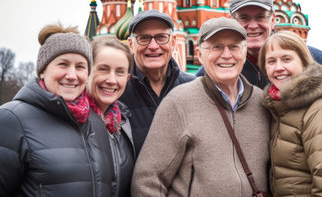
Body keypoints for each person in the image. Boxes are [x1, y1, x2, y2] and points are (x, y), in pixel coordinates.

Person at [131, 17, 270, 196]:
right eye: (216, 47)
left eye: (234, 46)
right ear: (199, 54)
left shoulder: (261, 102)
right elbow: (147, 181)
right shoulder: (179, 102)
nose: (226, 55)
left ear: (244, 53)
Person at [0, 23, 114, 196]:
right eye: (63, 64)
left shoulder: (96, 123)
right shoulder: (12, 119)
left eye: (80, 66)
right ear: (43, 70)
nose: (72, 75)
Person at [259, 30, 322, 196]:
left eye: (287, 59)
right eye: (271, 61)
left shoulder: (321, 108)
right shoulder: (279, 107)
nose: (279, 68)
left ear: (304, 62)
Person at [196, 0, 322, 88]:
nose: (252, 26)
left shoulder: (314, 58)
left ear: (273, 20)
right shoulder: (218, 66)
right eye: (244, 18)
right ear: (232, 21)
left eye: (260, 17)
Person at [119, 10, 196, 154]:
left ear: (173, 42)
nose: (153, 46)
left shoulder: (193, 88)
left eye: (161, 37)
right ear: (131, 44)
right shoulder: (118, 90)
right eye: (144, 38)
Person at [86, 35, 135, 197]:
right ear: (86, 70)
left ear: (127, 78)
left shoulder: (123, 124)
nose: (111, 80)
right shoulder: (72, 119)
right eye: (103, 69)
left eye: (120, 72)